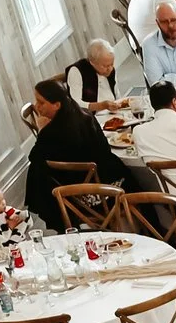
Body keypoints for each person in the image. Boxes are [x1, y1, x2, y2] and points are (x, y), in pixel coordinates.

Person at [23, 81, 147, 224]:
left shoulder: (53, 132)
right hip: (117, 181)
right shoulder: (84, 115)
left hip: (93, 195)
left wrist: (42, 130)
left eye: (41, 102)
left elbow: (35, 157)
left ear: (57, 105)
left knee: (39, 175)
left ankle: (63, 221)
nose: (36, 106)